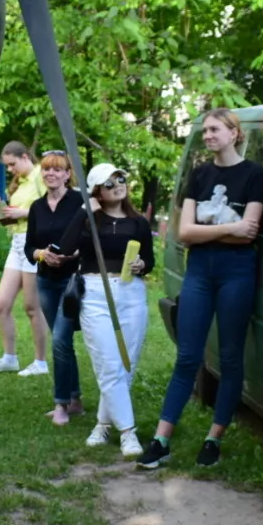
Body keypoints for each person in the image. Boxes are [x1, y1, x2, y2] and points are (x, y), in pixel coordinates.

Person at [141, 109, 263, 470]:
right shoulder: (199, 175)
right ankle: (161, 439)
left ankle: (214, 438)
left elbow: (249, 232)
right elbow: (184, 232)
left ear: (234, 133)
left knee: (230, 358)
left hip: (237, 273)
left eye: (214, 129)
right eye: (205, 130)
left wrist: (207, 232)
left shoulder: (254, 175)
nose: (208, 135)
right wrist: (228, 230)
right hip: (199, 272)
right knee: (187, 356)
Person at [57, 163, 155, 459]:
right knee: (109, 364)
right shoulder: (89, 221)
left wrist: (142, 265)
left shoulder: (138, 222)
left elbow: (149, 261)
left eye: (120, 179)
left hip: (131, 295)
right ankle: (128, 432)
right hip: (96, 294)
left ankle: (102, 424)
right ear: (98, 191)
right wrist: (84, 209)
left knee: (125, 366)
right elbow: (65, 248)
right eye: (109, 183)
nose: (118, 185)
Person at [25, 151, 87, 425]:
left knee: (60, 339)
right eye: (46, 169)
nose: (51, 174)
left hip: (71, 280)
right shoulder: (37, 207)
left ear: (67, 174)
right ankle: (75, 400)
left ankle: (61, 404)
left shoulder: (79, 202)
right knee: (63, 342)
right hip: (45, 280)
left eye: (57, 169)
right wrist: (41, 254)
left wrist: (71, 255)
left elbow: (89, 240)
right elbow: (29, 246)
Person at [0, 141, 50, 376]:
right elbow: (22, 215)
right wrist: (7, 215)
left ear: (25, 157)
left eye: (12, 164)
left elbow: (54, 209)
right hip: (17, 244)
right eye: (7, 166)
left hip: (36, 244)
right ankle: (9, 358)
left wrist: (24, 213)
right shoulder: (20, 182)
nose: (10, 169)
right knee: (1, 304)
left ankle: (40, 362)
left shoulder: (42, 176)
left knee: (32, 307)